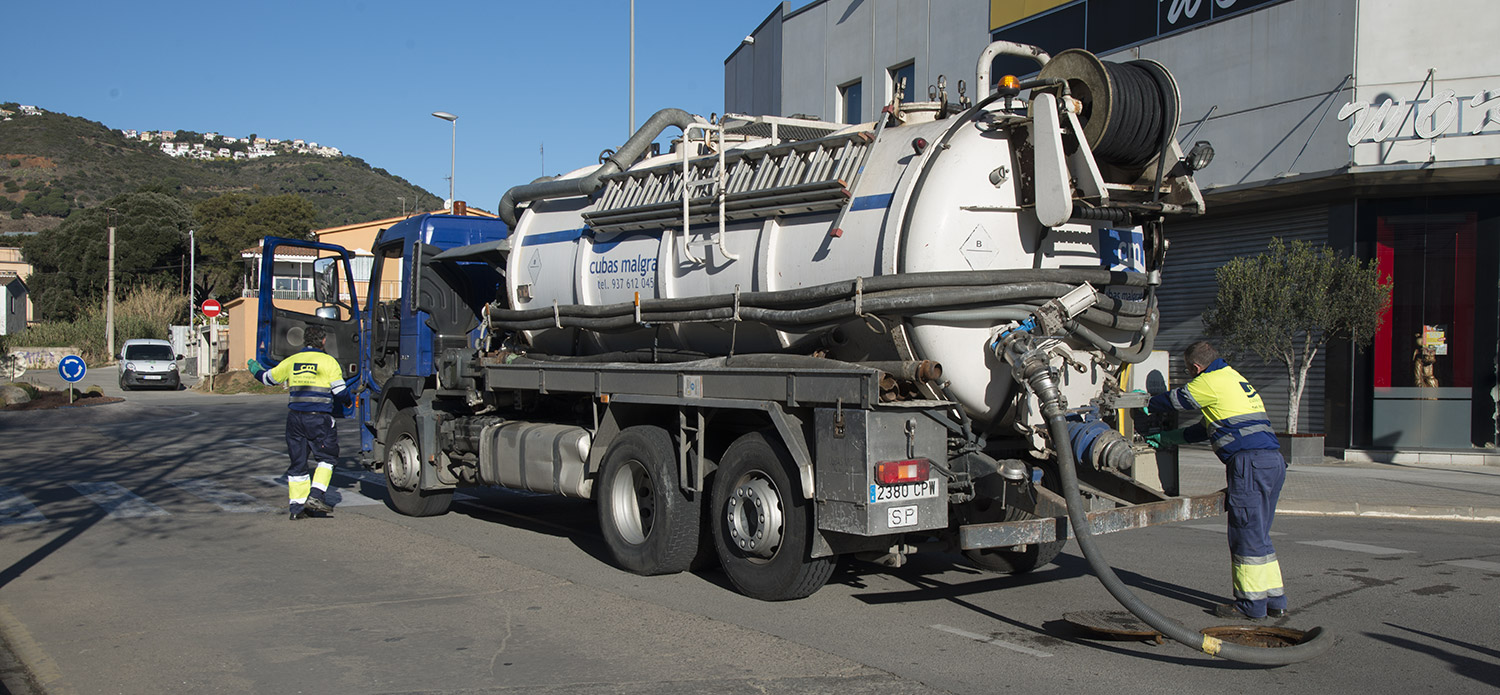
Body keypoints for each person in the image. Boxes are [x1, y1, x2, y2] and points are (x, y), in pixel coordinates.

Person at [1145, 340, 1289, 621]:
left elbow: (1177, 401)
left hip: (1249, 463)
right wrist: (1167, 438)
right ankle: (1274, 599)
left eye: (1188, 370)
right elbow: (1204, 430)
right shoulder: (1233, 379)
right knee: (1259, 533)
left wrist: (1145, 401)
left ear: (1196, 367)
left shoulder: (1209, 381)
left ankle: (1250, 604)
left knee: (1245, 534)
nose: (1189, 375)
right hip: (1272, 461)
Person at [248, 325, 348, 520]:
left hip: (295, 419)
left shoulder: (292, 361)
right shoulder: (328, 362)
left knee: (298, 463)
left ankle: (296, 509)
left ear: (305, 341)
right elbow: (340, 393)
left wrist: (255, 369)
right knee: (327, 458)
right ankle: (316, 496)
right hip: (319, 419)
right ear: (323, 341)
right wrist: (349, 399)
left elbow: (268, 379)